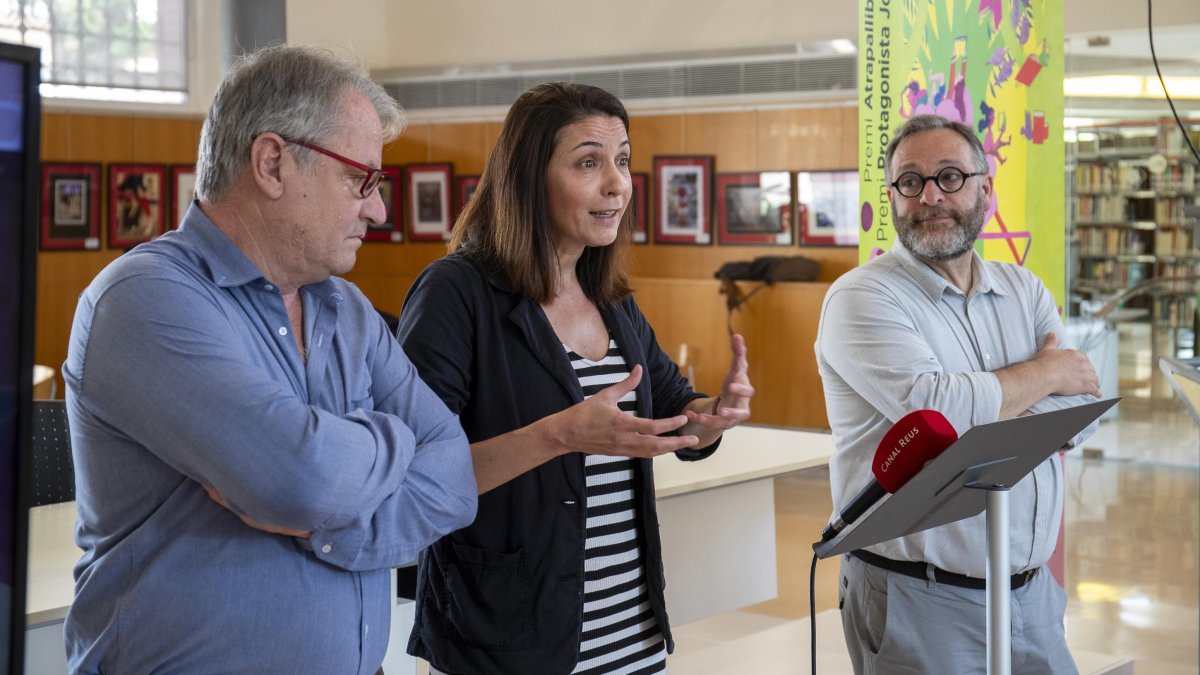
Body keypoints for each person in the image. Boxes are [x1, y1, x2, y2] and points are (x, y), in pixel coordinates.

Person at [62, 45, 477, 674]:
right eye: (360, 180)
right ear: (273, 163)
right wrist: (393, 436)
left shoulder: (347, 308)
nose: (377, 209)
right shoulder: (143, 298)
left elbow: (453, 476)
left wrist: (324, 524)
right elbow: (301, 479)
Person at [397, 82, 755, 675]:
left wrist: (712, 416)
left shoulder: (609, 296)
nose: (617, 184)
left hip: (630, 634)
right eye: (589, 163)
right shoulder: (455, 292)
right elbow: (415, 471)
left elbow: (673, 410)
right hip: (505, 642)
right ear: (528, 178)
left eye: (622, 160)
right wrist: (558, 435)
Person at [814, 114, 1102, 675]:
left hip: (1034, 597)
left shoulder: (1024, 289)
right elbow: (937, 415)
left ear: (985, 190)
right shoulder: (862, 296)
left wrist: (990, 406)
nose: (930, 197)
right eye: (910, 181)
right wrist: (1045, 374)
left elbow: (1083, 411)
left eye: (950, 177)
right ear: (892, 197)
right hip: (920, 600)